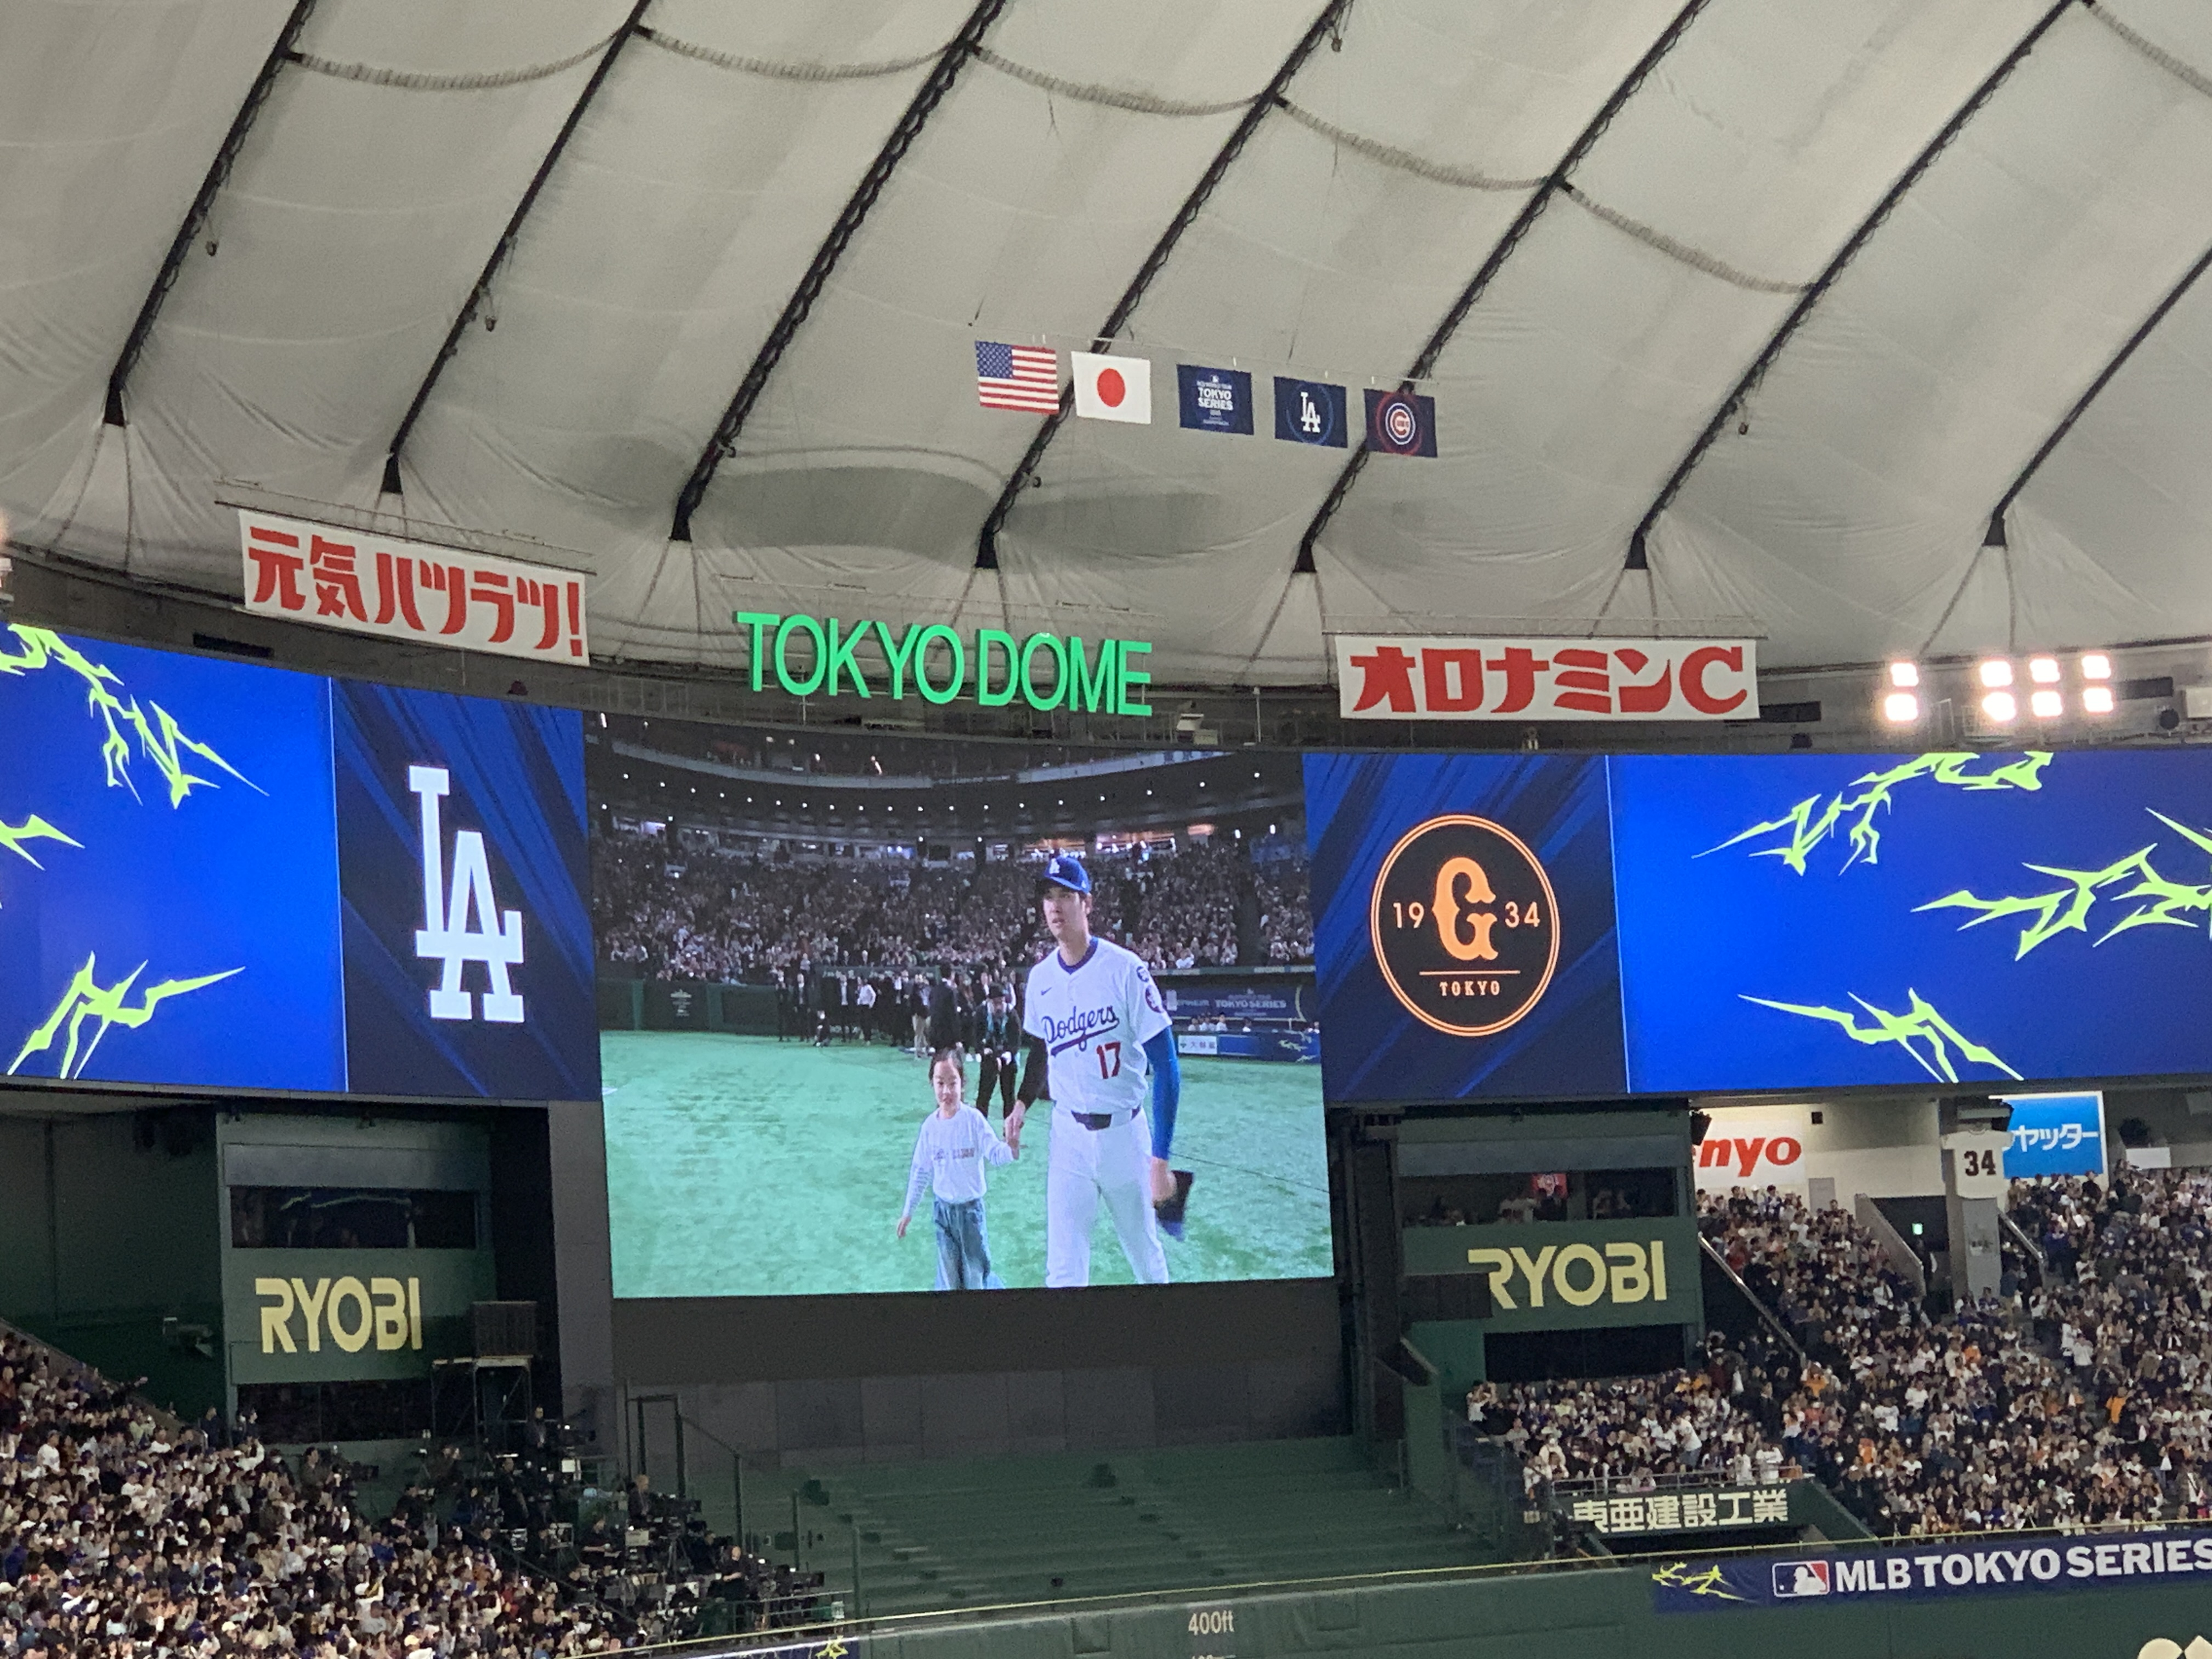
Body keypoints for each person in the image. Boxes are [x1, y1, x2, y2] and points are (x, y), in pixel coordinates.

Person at [1008, 854, 1183, 1288]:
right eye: (1048, 896)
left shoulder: (1125, 969)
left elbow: (1167, 1066)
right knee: (1063, 1273)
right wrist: (1021, 1103)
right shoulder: (1040, 977)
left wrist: (1159, 1159)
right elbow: (1040, 1051)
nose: (1054, 906)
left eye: (1065, 895)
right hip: (1067, 1138)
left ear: (1087, 903)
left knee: (1146, 1259)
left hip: (1125, 1136)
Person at [898, 1047, 1014, 1289]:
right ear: (932, 1083)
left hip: (971, 1214)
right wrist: (908, 1211)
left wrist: (1011, 1148)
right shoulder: (929, 1128)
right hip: (943, 1214)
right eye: (940, 1083)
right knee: (950, 1279)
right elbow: (920, 1171)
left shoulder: (974, 1121)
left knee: (975, 1276)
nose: (947, 1091)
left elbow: (994, 1152)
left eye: (953, 1083)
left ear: (963, 1083)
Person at [973, 988, 1020, 1122]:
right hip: (989, 1056)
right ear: (989, 1001)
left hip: (1008, 1057)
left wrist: (1010, 1053)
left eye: (1001, 1002)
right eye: (996, 1003)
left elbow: (1016, 1039)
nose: (999, 1006)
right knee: (984, 1096)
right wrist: (981, 1050)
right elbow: (976, 1036)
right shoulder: (981, 1013)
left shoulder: (1011, 1014)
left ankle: (1010, 1133)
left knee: (1009, 1096)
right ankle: (980, 1130)